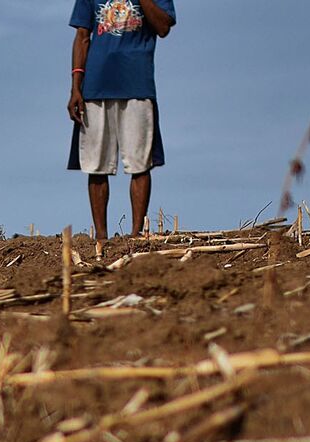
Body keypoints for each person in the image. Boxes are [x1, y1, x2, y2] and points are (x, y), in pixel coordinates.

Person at [67, 0, 176, 258]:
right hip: (95, 86)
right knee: (96, 164)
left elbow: (163, 27)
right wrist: (75, 87)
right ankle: (102, 238)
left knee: (140, 163)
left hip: (137, 84)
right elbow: (82, 36)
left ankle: (136, 235)